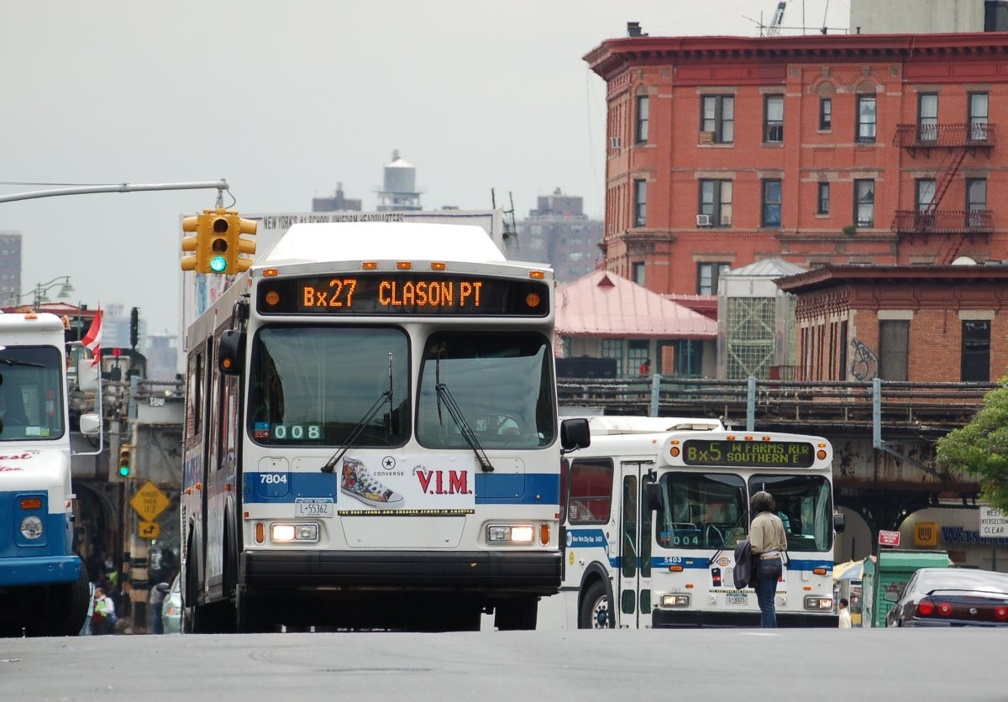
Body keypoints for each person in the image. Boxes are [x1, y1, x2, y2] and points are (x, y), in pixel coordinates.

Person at [748, 490, 788, 628]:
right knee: (770, 602)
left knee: (765, 604)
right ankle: (771, 627)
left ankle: (769, 631)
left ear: (756, 505)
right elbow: (784, 545)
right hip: (777, 562)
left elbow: (756, 547)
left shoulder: (758, 521)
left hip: (764, 563)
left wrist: (745, 545)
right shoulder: (778, 520)